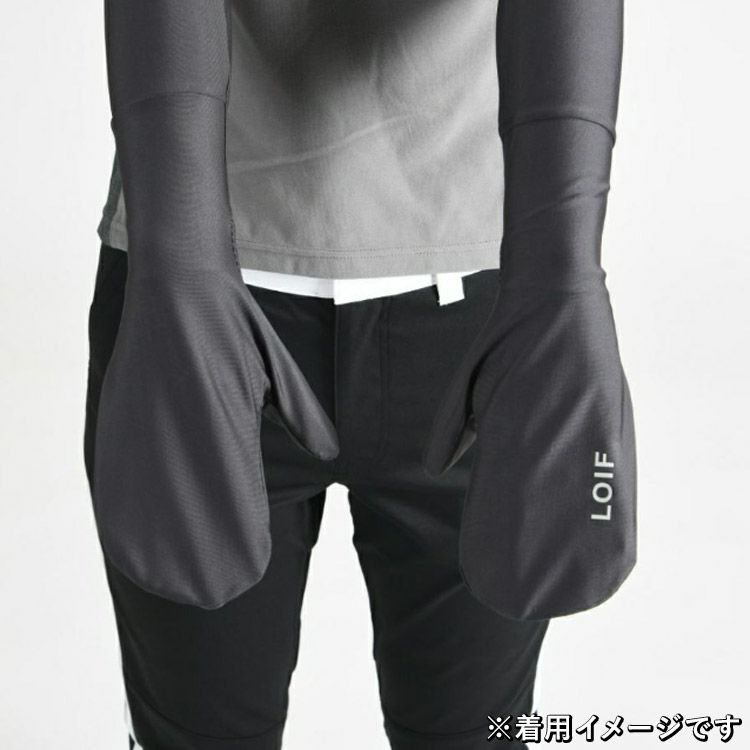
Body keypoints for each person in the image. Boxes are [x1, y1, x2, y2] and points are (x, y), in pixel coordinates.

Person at [85, 1, 636, 748]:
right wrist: (178, 258)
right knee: (193, 734)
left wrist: (564, 278)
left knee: (475, 734)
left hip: (494, 303)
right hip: (190, 295)